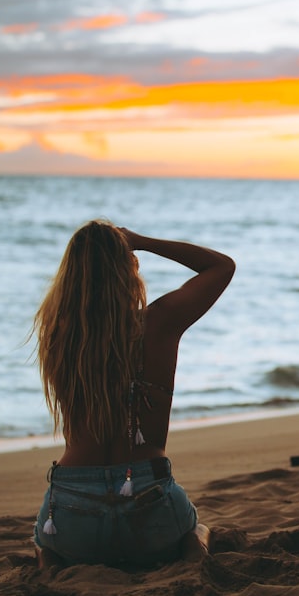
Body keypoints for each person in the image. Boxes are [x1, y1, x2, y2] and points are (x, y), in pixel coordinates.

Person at [31, 220, 235, 568]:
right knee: (198, 528)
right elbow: (221, 266)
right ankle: (191, 551)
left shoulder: (57, 335)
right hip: (149, 505)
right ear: (127, 269)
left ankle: (52, 562)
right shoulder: (159, 323)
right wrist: (141, 241)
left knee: (44, 542)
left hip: (72, 507)